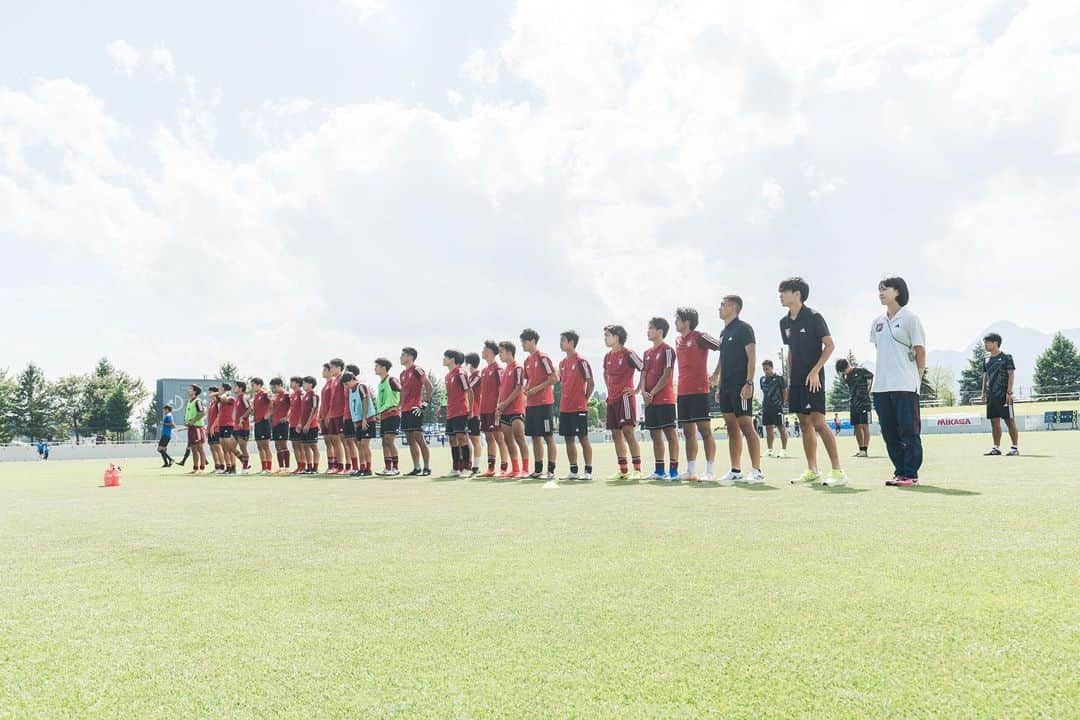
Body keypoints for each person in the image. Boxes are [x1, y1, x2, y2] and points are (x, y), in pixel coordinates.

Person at [778, 277, 847, 486]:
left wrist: (816, 371)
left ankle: (838, 471)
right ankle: (812, 470)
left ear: (797, 294)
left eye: (784, 291)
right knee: (804, 423)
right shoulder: (784, 322)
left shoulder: (814, 317)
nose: (780, 296)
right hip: (797, 380)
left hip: (814, 379)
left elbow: (829, 345)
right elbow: (790, 352)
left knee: (818, 423)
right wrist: (789, 380)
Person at [869, 276, 927, 486]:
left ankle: (911, 473)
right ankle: (900, 471)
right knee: (889, 432)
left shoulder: (911, 319)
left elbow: (920, 350)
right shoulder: (877, 323)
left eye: (885, 289)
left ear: (898, 291)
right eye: (879, 289)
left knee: (909, 431)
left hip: (905, 384)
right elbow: (880, 350)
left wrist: (917, 376)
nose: (881, 293)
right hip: (882, 386)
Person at [710, 295, 764, 485]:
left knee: (746, 426)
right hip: (725, 387)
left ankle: (757, 471)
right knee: (732, 429)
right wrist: (718, 383)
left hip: (741, 386)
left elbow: (752, 357)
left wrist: (748, 383)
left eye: (722, 304)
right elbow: (723, 359)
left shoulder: (744, 328)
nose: (719, 308)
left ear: (733, 307)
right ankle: (735, 470)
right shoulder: (723, 332)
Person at [674, 307, 721, 482]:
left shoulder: (700, 336)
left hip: (699, 391)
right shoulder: (678, 340)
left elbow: (723, 347)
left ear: (687, 321)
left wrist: (716, 374)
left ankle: (710, 471)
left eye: (678, 319)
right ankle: (691, 471)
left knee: (705, 431)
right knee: (688, 432)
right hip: (683, 392)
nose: (675, 322)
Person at [639, 317, 679, 480]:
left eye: (651, 328)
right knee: (655, 435)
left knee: (670, 434)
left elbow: (667, 373)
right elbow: (643, 374)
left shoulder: (668, 350)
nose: (648, 331)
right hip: (649, 401)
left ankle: (674, 471)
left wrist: (653, 393)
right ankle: (659, 470)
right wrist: (643, 392)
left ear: (660, 331)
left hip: (665, 400)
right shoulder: (646, 353)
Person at [603, 324, 644, 481]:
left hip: (625, 399)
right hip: (611, 400)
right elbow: (605, 373)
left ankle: (637, 469)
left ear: (617, 337)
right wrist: (609, 389)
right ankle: (623, 470)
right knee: (615, 434)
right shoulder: (607, 356)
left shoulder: (629, 354)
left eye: (608, 335)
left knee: (628, 433)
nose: (605, 338)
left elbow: (643, 368)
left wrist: (637, 389)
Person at [521, 329, 559, 484]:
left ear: (532, 341)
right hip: (531, 405)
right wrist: (526, 388)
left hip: (544, 403)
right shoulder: (527, 361)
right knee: (534, 436)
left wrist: (536, 389)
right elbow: (527, 380)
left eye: (524, 341)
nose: (522, 345)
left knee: (547, 436)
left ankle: (551, 470)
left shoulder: (543, 357)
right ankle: (538, 469)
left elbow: (554, 378)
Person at [557, 330, 594, 481]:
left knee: (583, 438)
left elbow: (591, 383)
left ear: (571, 342)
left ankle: (588, 471)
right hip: (565, 408)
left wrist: (584, 399)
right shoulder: (562, 363)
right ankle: (573, 471)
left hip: (578, 408)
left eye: (563, 340)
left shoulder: (581, 361)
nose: (561, 343)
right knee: (568, 439)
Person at [982, 332, 1020, 456]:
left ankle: (1014, 448)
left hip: (1004, 395)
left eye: (988, 342)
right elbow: (985, 376)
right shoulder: (986, 359)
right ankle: (996, 448)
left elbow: (1011, 374)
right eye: (985, 342)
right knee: (994, 422)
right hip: (991, 395)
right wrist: (983, 393)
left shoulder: (1006, 357)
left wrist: (1009, 392)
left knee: (1009, 421)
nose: (986, 345)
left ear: (995, 343)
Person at [496, 340, 530, 479]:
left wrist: (505, 403)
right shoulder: (504, 371)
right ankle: (515, 469)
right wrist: (499, 406)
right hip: (504, 410)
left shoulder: (518, 368)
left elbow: (518, 388)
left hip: (516, 409)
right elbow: (502, 390)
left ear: (509, 352)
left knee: (519, 438)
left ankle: (525, 469)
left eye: (501, 352)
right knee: (508, 440)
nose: (500, 355)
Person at [400, 347, 434, 476]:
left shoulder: (417, 370)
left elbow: (429, 387)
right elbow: (403, 392)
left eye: (403, 355)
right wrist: (400, 407)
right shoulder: (402, 374)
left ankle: (427, 467)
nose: (401, 357)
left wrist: (423, 406)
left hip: (415, 410)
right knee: (410, 440)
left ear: (410, 357)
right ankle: (416, 467)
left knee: (419, 438)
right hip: (405, 410)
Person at [478, 340, 509, 477]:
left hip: (494, 410)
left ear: (491, 352)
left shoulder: (498, 369)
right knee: (489, 438)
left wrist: (498, 408)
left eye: (484, 349)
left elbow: (502, 390)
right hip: (484, 410)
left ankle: (504, 467)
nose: (482, 352)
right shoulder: (484, 371)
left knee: (499, 438)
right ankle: (491, 468)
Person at [441, 349, 474, 477]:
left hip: (461, 411)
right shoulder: (447, 376)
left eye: (446, 357)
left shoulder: (460, 373)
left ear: (453, 359)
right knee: (452, 439)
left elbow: (470, 391)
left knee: (462, 438)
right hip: (451, 412)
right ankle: (456, 468)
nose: (443, 359)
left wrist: (470, 409)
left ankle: (467, 468)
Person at [835, 358, 874, 457]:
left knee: (864, 425)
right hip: (853, 403)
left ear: (847, 366)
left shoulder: (861, 371)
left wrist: (869, 390)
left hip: (864, 402)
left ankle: (865, 450)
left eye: (843, 370)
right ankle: (861, 449)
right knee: (857, 426)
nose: (843, 372)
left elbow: (872, 376)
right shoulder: (846, 376)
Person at [374, 357, 403, 476]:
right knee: (384, 442)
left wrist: (399, 406)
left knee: (389, 441)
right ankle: (388, 468)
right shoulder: (381, 383)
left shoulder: (391, 380)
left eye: (376, 366)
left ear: (383, 368)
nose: (374, 368)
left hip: (392, 414)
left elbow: (403, 390)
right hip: (383, 415)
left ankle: (395, 468)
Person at [346, 372, 376, 476]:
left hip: (367, 419)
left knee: (364, 444)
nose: (346, 386)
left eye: (346, 383)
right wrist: (355, 421)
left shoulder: (361, 386)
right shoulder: (350, 390)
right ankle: (362, 467)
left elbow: (365, 401)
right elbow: (352, 406)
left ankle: (368, 468)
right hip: (357, 421)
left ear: (352, 379)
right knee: (359, 445)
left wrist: (364, 419)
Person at [759, 360, 789, 458]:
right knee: (768, 428)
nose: (765, 371)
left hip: (777, 407)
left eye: (767, 369)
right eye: (764, 369)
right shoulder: (762, 379)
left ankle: (784, 450)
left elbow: (784, 391)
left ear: (772, 367)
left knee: (781, 427)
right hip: (766, 408)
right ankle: (770, 450)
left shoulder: (779, 378)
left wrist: (783, 403)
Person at [324, 359, 348, 475]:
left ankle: (348, 466)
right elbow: (332, 400)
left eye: (332, 367)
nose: (331, 369)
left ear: (339, 368)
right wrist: (329, 414)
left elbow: (346, 396)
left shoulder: (343, 379)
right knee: (336, 440)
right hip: (334, 415)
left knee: (345, 441)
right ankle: (338, 466)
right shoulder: (334, 381)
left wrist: (345, 412)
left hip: (341, 414)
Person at [210, 383, 238, 474]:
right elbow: (211, 395)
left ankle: (233, 467)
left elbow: (223, 398)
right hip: (221, 425)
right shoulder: (221, 399)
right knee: (224, 449)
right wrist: (221, 392)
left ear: (225, 389)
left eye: (221, 388)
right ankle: (228, 467)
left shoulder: (231, 398)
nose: (219, 389)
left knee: (230, 448)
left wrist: (226, 392)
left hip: (228, 425)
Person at [179, 384, 207, 473]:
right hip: (191, 428)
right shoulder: (189, 402)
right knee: (193, 449)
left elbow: (203, 413)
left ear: (195, 391)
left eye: (190, 389)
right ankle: (195, 468)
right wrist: (187, 422)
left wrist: (193, 421)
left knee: (200, 448)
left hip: (197, 428)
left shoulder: (197, 401)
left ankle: (202, 469)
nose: (188, 390)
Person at [341, 363, 363, 474]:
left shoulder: (358, 385)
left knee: (358, 442)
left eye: (346, 370)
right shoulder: (346, 386)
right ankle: (355, 467)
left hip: (355, 417)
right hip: (347, 417)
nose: (344, 372)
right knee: (349, 442)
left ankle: (363, 466)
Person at [465, 353, 483, 477]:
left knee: (475, 439)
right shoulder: (471, 377)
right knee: (467, 439)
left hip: (475, 412)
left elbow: (466, 388)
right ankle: (468, 464)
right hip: (466, 411)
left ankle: (476, 465)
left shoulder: (477, 376)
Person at [250, 378, 274, 474]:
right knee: (259, 446)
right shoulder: (255, 396)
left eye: (253, 385)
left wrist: (268, 414)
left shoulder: (264, 394)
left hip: (264, 423)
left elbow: (272, 402)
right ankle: (263, 468)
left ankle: (269, 468)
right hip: (257, 422)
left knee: (265, 446)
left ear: (259, 385)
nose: (252, 387)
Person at [269, 377, 291, 473]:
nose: (272, 389)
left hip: (283, 423)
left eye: (274, 387)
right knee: (277, 445)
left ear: (279, 385)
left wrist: (287, 417)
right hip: (275, 423)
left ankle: (287, 468)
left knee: (283, 444)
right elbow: (272, 409)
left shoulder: (286, 395)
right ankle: (281, 467)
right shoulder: (276, 396)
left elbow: (292, 407)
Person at [298, 375, 320, 474]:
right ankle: (309, 467)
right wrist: (299, 424)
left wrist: (308, 424)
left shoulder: (314, 395)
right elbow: (302, 412)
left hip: (312, 425)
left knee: (313, 446)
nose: (303, 385)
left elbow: (314, 409)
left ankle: (315, 468)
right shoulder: (305, 396)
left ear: (311, 384)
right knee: (305, 446)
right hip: (303, 425)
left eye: (305, 383)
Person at [287, 376, 306, 475]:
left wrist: (300, 422)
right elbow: (292, 408)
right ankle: (299, 466)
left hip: (298, 424)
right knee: (294, 446)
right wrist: (288, 417)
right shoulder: (292, 395)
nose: (290, 384)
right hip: (292, 424)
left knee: (300, 446)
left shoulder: (301, 394)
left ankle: (303, 466)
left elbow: (303, 409)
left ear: (298, 383)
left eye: (292, 382)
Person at [232, 381, 252, 473]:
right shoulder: (237, 398)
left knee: (243, 448)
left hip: (243, 427)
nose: (234, 388)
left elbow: (250, 409)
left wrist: (242, 418)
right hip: (235, 427)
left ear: (240, 388)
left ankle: (245, 468)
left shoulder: (244, 396)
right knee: (231, 447)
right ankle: (244, 463)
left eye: (235, 386)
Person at [206, 386, 224, 472]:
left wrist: (213, 426)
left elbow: (219, 416)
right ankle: (216, 466)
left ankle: (222, 466)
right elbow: (210, 417)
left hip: (216, 428)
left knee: (217, 447)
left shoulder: (218, 402)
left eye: (211, 392)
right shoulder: (211, 403)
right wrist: (208, 428)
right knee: (212, 448)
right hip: (210, 428)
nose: (209, 394)